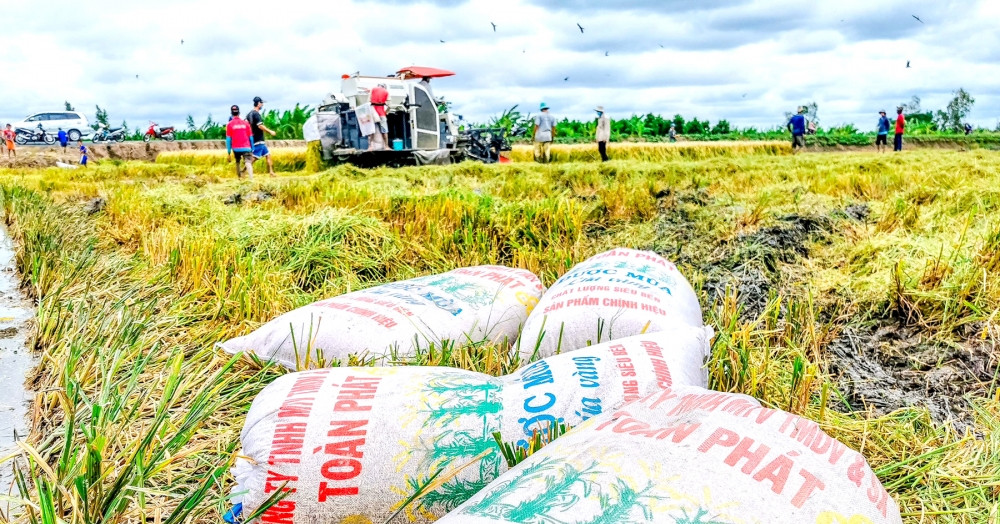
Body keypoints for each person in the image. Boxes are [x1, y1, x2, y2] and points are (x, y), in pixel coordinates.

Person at [246, 96, 278, 176]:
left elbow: (246, 124)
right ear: (258, 104)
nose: (262, 105)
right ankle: (244, 171)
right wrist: (270, 131)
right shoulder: (256, 114)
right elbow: (260, 126)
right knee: (255, 157)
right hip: (258, 139)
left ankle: (271, 172)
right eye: (262, 103)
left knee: (268, 155)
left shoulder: (249, 114)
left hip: (255, 138)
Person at [226, 104, 255, 180]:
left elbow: (228, 140)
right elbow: (251, 137)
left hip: (236, 148)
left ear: (231, 113)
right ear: (239, 112)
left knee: (238, 162)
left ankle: (239, 178)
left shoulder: (229, 124)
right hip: (247, 147)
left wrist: (229, 152)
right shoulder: (246, 123)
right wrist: (253, 148)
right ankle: (251, 179)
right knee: (248, 162)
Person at [368, 83, 390, 150]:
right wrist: (387, 112)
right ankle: (386, 146)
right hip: (381, 113)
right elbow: (389, 104)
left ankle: (370, 147)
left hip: (373, 112)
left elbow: (368, 101)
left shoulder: (373, 90)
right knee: (385, 130)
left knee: (372, 130)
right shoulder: (386, 92)